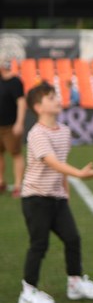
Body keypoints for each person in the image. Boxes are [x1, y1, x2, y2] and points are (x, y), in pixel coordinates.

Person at [17, 82, 93, 303]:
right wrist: (79, 174)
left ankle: (75, 283)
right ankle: (28, 291)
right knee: (39, 244)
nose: (57, 100)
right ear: (38, 107)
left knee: (72, 238)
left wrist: (65, 193)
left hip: (57, 198)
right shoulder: (36, 133)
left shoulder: (64, 131)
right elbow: (52, 162)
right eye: (50, 97)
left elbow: (60, 166)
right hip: (36, 198)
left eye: (56, 95)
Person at [0, 56, 26, 198]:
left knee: (15, 154)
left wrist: (19, 123)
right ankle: (1, 181)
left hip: (10, 125)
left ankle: (17, 185)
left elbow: (21, 103)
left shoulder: (15, 82)